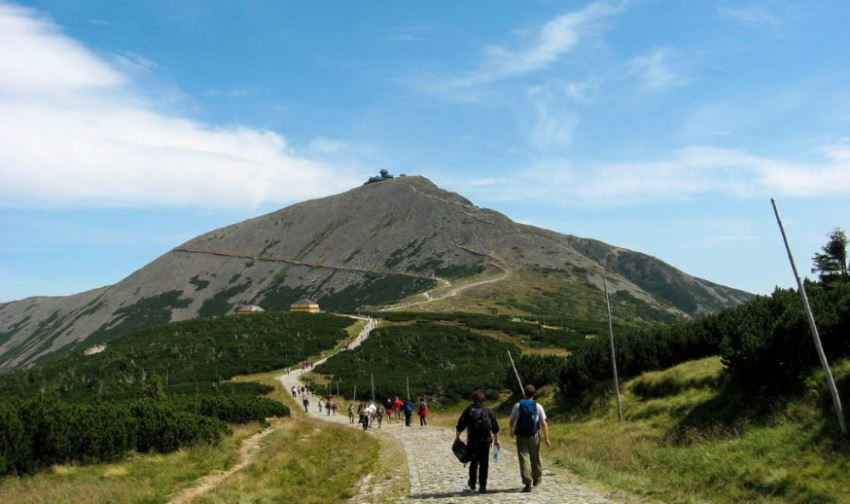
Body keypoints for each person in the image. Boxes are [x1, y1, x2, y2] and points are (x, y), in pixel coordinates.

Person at [455, 390, 500, 494]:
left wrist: (457, 437)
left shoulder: (469, 410)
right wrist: (497, 440)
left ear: (473, 399)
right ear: (483, 399)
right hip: (485, 441)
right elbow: (495, 427)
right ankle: (483, 486)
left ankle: (472, 483)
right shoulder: (488, 411)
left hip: (472, 441)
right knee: (484, 463)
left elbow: (460, 424)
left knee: (473, 462)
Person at [509, 384, 551, 493]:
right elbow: (543, 423)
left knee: (524, 458)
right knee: (535, 456)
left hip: (521, 435)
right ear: (534, 394)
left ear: (524, 393)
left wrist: (511, 431)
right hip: (534, 435)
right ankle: (537, 478)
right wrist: (546, 438)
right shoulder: (538, 406)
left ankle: (527, 482)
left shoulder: (517, 406)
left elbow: (512, 421)